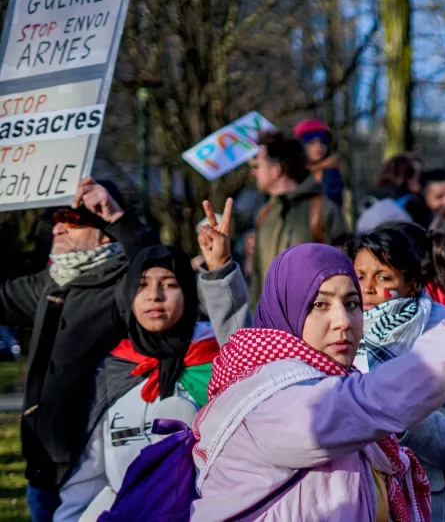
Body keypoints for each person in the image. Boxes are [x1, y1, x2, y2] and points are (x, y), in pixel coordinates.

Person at [191, 238, 445, 520]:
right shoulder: (267, 399)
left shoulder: (330, 378)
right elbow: (367, 403)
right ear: (285, 309)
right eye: (320, 304)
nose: (343, 321)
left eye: (351, 303)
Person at [55, 202, 249, 522]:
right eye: (142, 285)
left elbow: (242, 347)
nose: (155, 295)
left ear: (188, 294)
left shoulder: (218, 358)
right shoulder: (112, 369)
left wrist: (219, 270)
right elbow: (90, 473)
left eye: (169, 284)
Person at [0, 178, 156, 521]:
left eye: (71, 219)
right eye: (55, 219)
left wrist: (118, 217)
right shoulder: (51, 281)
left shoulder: (127, 282)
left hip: (96, 465)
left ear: (105, 234)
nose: (57, 228)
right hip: (44, 465)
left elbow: (154, 266)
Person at [344, 227, 445, 520]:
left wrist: (406, 418)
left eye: (383, 278)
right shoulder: (337, 330)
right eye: (359, 276)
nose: (368, 288)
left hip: (425, 508)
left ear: (411, 284)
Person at [249, 130, 348, 305]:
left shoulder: (322, 210)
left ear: (277, 169)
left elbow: (343, 274)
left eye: (258, 165)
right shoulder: (264, 214)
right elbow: (257, 283)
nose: (253, 172)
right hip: (269, 320)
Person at [362, 153, 432, 227]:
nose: (417, 179)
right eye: (410, 173)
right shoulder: (410, 201)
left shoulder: (372, 194)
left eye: (421, 174)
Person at [293, 119, 345, 207]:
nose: (318, 146)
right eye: (311, 142)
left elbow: (331, 203)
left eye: (322, 142)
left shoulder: (330, 171)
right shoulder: (293, 171)